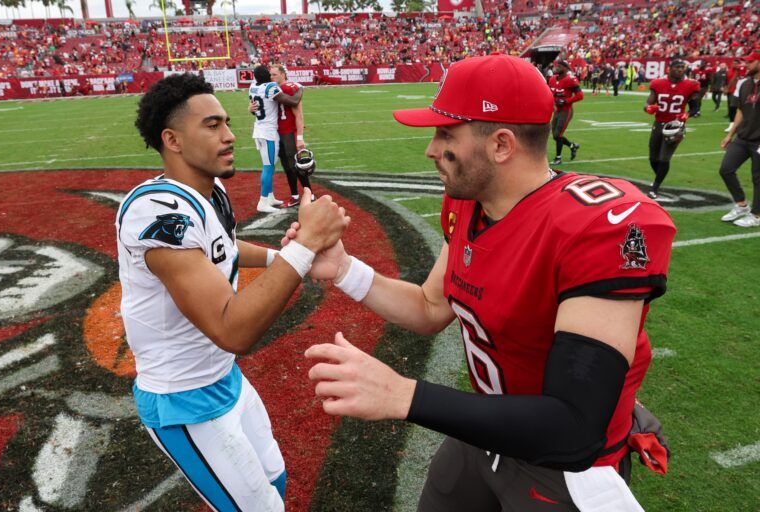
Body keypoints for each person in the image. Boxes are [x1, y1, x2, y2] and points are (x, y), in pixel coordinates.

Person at [295, 55, 676, 511]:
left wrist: (402, 394)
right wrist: (344, 269)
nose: (431, 150)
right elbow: (430, 308)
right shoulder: (470, 204)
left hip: (564, 465)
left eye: (446, 134)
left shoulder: (596, 226)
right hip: (486, 430)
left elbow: (573, 425)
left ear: (501, 145)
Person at [118, 73, 349, 511]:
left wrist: (279, 259)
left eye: (226, 122)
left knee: (274, 479)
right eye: (211, 125)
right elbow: (232, 329)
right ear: (173, 140)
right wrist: (303, 248)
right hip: (183, 398)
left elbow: (220, 247)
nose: (229, 135)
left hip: (223, 378)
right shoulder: (156, 214)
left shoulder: (209, 190)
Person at [643, 58, 700, 199]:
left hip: (675, 126)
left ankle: (655, 187)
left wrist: (687, 114)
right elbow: (649, 102)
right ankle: (659, 179)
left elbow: (695, 107)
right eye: (678, 67)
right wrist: (648, 108)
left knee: (664, 159)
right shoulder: (657, 83)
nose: (681, 69)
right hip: (658, 123)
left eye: (683, 67)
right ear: (670, 68)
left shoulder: (691, 85)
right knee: (653, 158)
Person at [249, 64, 303, 213]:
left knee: (269, 165)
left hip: (259, 129)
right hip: (268, 132)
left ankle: (270, 197)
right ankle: (263, 201)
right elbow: (292, 101)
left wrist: (249, 108)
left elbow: (254, 107)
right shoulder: (270, 87)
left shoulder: (253, 86)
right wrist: (300, 89)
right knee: (269, 167)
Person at [718, 52, 760, 228]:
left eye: (751, 62)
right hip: (743, 136)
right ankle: (741, 204)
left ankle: (756, 215)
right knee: (726, 169)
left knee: (758, 178)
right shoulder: (745, 84)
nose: (747, 65)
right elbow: (741, 111)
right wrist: (730, 134)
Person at [272, 64, 314, 207]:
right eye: (270, 75)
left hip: (289, 132)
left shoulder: (289, 87)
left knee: (296, 166)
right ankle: (295, 195)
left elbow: (298, 114)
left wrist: (300, 137)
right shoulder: (272, 88)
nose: (272, 77)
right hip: (279, 132)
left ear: (283, 74)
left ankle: (310, 194)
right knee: (286, 166)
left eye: (275, 74)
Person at [548, 59, 583, 165]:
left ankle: (558, 158)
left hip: (566, 110)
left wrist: (566, 101)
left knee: (558, 134)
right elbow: (551, 94)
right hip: (557, 110)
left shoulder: (570, 79)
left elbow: (580, 95)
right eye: (555, 65)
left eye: (559, 66)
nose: (556, 68)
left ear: (565, 68)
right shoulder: (552, 79)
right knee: (555, 135)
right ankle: (572, 146)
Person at [725, 58, 748, 133]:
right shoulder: (739, 68)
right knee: (732, 107)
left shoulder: (752, 69)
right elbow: (734, 78)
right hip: (738, 90)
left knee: (745, 108)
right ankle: (732, 124)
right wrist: (728, 88)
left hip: (747, 90)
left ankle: (744, 125)